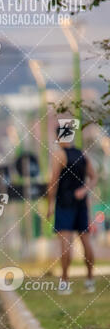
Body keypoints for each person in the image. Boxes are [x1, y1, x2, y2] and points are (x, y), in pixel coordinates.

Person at [47, 124, 98, 294]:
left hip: (64, 204)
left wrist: (50, 205)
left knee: (65, 243)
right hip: (81, 204)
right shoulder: (82, 154)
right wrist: (84, 190)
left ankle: (65, 282)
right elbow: (94, 177)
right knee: (86, 242)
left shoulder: (59, 155)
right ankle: (90, 280)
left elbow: (53, 182)